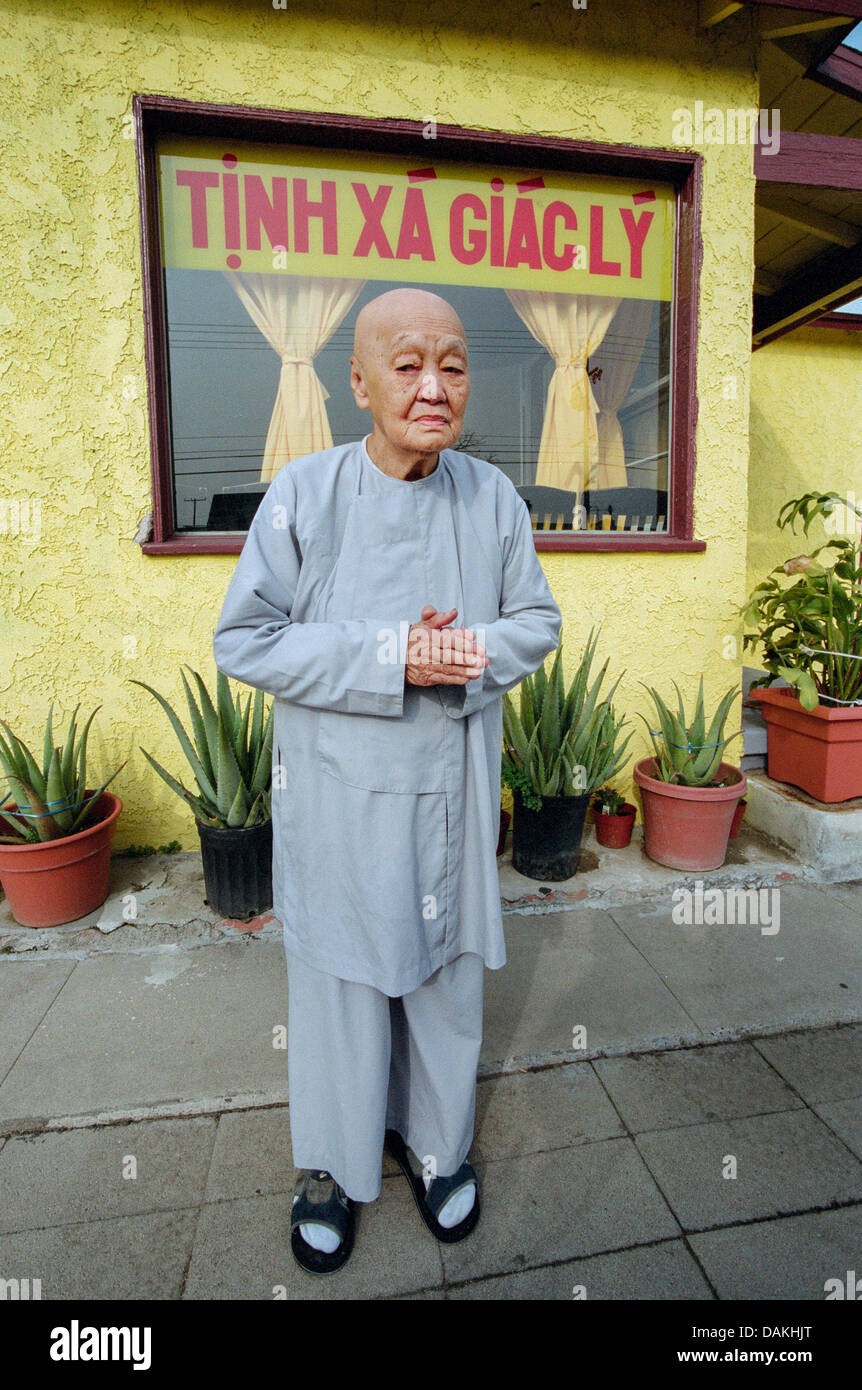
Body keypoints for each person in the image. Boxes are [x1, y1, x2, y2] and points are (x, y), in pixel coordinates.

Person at [213, 286, 562, 1274]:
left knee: (445, 984)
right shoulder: (304, 494)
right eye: (406, 363)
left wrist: (468, 653)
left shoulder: (490, 497)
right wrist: (389, 654)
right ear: (357, 380)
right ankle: (327, 1167)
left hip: (447, 795)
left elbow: (535, 623)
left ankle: (439, 1150)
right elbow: (244, 639)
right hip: (336, 800)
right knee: (340, 992)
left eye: (452, 363)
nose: (433, 384)